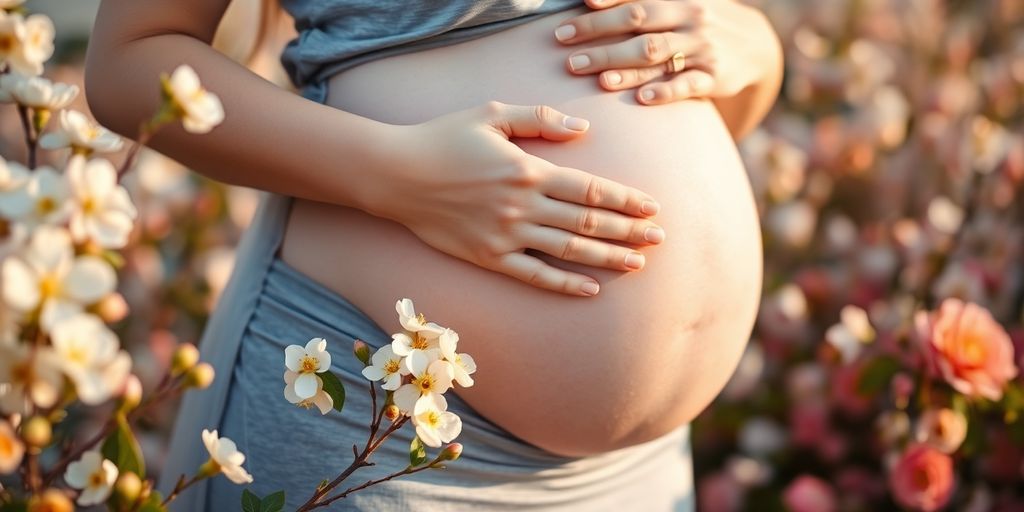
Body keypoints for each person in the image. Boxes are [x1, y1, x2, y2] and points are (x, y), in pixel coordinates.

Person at [85, 0, 782, 509]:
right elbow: (128, 62)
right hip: (373, 419)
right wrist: (397, 176)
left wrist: (757, 48)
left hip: (641, 469)